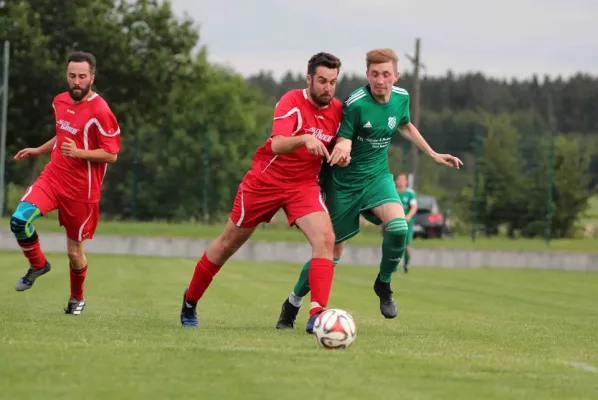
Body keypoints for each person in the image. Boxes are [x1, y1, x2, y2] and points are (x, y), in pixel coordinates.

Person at [276, 48, 462, 332]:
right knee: (329, 253)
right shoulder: (355, 103)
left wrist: (434, 154)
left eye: (386, 74)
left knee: (399, 227)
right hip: (343, 184)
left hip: (377, 178)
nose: (380, 80)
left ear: (396, 76)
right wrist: (342, 148)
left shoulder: (402, 98)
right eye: (375, 74)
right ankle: (293, 303)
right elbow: (344, 139)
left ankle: (383, 283)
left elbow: (406, 125)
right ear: (367, 75)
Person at [179, 52, 346, 328]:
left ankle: (318, 316)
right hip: (265, 183)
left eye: (332, 82)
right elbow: (277, 143)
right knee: (226, 245)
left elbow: (343, 140)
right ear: (309, 79)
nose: (327, 88)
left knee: (326, 240)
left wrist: (343, 151)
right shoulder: (291, 102)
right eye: (321, 81)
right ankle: (190, 301)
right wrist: (305, 138)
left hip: (303, 187)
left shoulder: (339, 111)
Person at [10, 51, 121, 315]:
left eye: (82, 76)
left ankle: (77, 298)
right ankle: (38, 265)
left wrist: (79, 153)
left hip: (82, 192)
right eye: (72, 76)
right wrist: (39, 150)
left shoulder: (101, 111)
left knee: (74, 253)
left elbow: (111, 154)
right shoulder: (59, 101)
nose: (77, 81)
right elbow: (63, 135)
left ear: (91, 78)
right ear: (66, 76)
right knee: (19, 221)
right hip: (53, 178)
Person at [395, 173, 417, 273]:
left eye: (402, 180)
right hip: (394, 222)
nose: (400, 181)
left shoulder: (410, 193)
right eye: (398, 179)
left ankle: (406, 264)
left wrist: (408, 216)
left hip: (407, 223)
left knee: (406, 247)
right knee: (395, 245)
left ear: (406, 182)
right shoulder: (393, 192)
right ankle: (393, 266)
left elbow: (414, 207)